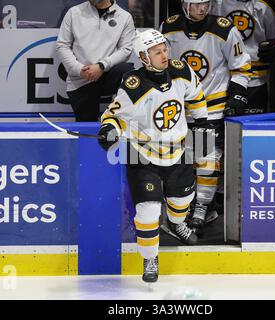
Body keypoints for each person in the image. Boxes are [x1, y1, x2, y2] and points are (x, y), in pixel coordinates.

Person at [97, 29, 209, 283]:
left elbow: (196, 94)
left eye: (164, 49)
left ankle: (175, 223)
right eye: (156, 52)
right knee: (148, 212)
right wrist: (108, 130)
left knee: (183, 201)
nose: (164, 55)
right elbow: (114, 116)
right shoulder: (133, 84)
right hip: (143, 155)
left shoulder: (181, 70)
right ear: (143, 57)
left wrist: (202, 120)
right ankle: (149, 258)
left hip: (178, 151)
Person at [160, 0, 251, 237]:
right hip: (179, 109)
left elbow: (241, 66)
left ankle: (202, 206)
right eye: (197, 4)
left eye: (206, 4)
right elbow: (161, 67)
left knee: (207, 158)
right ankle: (183, 207)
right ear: (184, 5)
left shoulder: (224, 29)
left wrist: (237, 95)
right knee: (180, 160)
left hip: (211, 108)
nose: (203, 8)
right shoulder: (168, 28)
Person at [56, 0, 136, 122]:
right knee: (86, 131)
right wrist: (80, 70)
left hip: (106, 74)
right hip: (81, 79)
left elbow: (126, 49)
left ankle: (121, 121)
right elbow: (62, 45)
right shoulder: (73, 12)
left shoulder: (124, 17)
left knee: (127, 71)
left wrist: (102, 66)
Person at [211, 0, 275, 114]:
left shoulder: (268, 5)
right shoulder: (214, 3)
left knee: (251, 129)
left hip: (254, 81)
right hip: (218, 80)